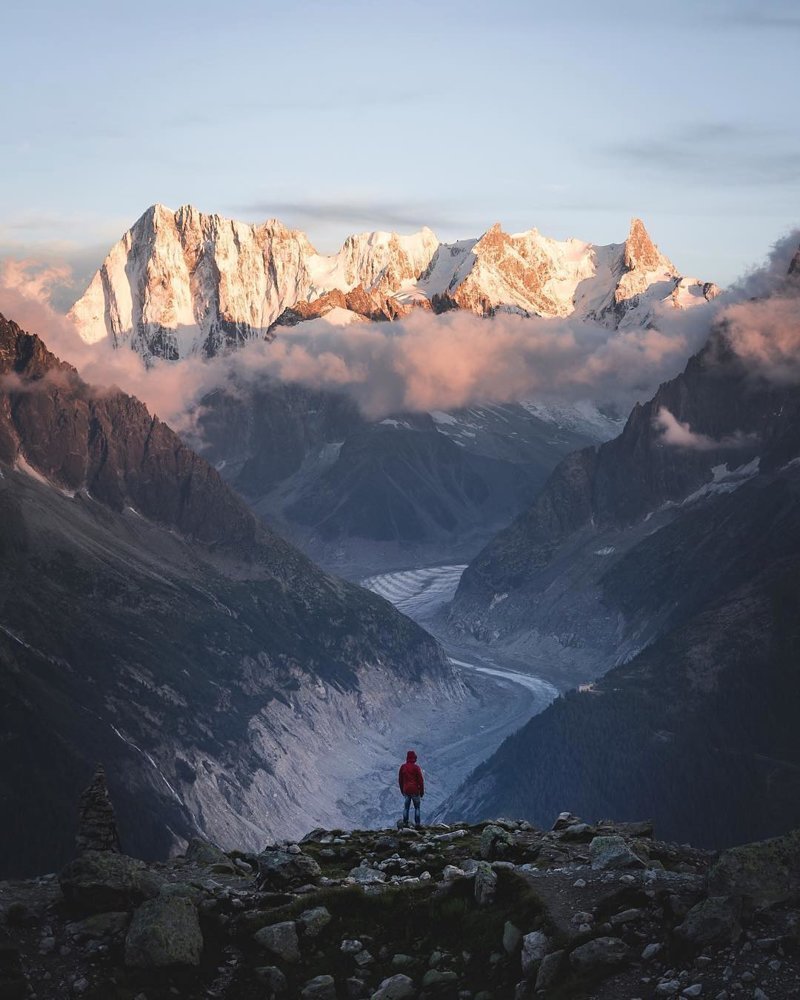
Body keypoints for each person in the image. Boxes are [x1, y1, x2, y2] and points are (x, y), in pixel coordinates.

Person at [398, 749, 424, 829]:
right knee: (417, 807)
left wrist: (402, 790)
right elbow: (420, 780)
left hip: (406, 790)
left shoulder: (403, 767)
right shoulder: (416, 768)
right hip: (415, 790)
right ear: (414, 758)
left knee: (406, 807)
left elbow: (400, 780)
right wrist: (422, 791)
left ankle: (405, 823)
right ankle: (417, 824)